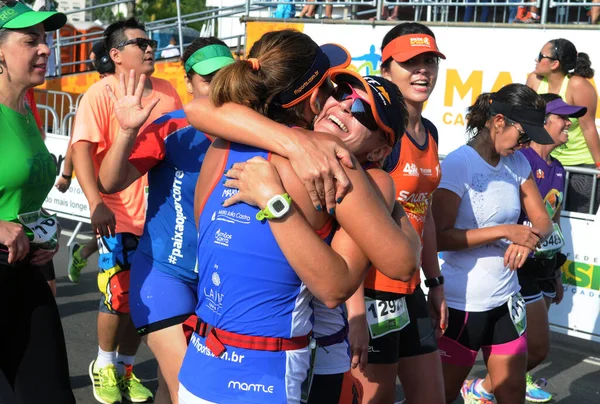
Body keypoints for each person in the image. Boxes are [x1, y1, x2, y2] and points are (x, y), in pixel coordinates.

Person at [178, 29, 420, 404]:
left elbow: (198, 109)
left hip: (198, 370)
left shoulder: (220, 143)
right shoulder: (328, 157)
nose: (340, 104)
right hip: (263, 378)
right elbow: (396, 266)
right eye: (336, 90)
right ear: (312, 98)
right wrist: (385, 194)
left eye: (361, 111)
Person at [96, 37, 235, 404]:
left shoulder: (252, 130)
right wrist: (126, 131)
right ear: (188, 82)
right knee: (189, 389)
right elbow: (109, 181)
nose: (219, 88)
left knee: (167, 386)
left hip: (218, 281)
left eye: (226, 76)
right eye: (208, 78)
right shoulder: (172, 128)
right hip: (164, 273)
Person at [71, 17, 182, 404]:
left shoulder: (169, 91)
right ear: (116, 55)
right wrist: (95, 203)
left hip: (163, 218)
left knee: (144, 298)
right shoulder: (100, 94)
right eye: (140, 43)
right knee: (117, 295)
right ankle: (104, 363)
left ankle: (127, 367)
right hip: (118, 214)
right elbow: (82, 148)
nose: (150, 48)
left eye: (151, 42)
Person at [432, 83, 555, 404]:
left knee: (511, 392)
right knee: (440, 395)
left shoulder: (517, 163)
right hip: (463, 304)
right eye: (523, 135)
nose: (526, 144)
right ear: (498, 121)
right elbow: (438, 237)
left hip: (506, 299)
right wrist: (505, 231)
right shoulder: (460, 164)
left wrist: (528, 242)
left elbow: (543, 220)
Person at [345, 22, 447, 403]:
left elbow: (426, 212)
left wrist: (434, 282)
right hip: (369, 292)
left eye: (429, 61)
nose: (423, 70)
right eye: (410, 62)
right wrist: (354, 312)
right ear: (385, 69)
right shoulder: (378, 134)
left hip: (410, 288)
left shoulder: (431, 132)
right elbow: (350, 225)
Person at [464, 94, 586, 403]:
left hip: (540, 266)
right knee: (535, 347)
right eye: (563, 117)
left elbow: (550, 224)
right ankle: (482, 387)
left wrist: (556, 271)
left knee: (532, 348)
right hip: (513, 269)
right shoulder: (520, 157)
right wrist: (515, 238)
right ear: (543, 121)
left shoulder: (557, 167)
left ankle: (496, 383)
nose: (569, 124)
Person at [0, 1, 75, 403]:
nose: (45, 49)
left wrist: (43, 226)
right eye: (31, 41)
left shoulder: (26, 109)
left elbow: (19, 193)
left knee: (51, 394)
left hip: (22, 273)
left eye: (45, 40)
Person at [526, 38, 600, 214]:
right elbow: (527, 121)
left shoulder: (578, 85)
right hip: (545, 162)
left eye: (540, 56)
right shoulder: (534, 80)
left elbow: (589, 128)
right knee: (541, 218)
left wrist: (599, 163)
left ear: (555, 64)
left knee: (578, 223)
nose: (536, 60)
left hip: (580, 167)